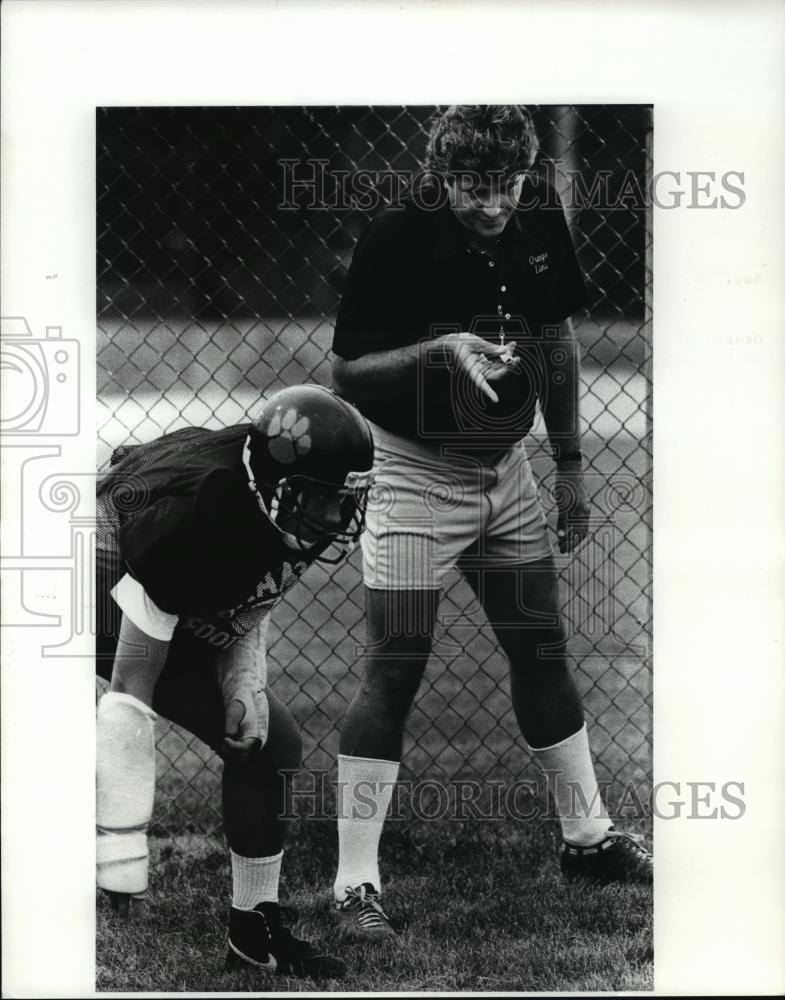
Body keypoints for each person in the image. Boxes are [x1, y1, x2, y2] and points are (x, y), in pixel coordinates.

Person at [329, 105, 652, 939]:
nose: (491, 203)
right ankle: (354, 883)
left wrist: (570, 467)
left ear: (524, 169)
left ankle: (586, 838)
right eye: (472, 187)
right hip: (413, 471)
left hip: (505, 471)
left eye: (504, 183)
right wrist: (437, 352)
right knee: (394, 668)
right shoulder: (397, 236)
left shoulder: (537, 208)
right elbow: (350, 374)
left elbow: (555, 341)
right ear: (439, 177)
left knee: (540, 646)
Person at [95, 384, 374, 978]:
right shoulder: (199, 514)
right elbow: (130, 689)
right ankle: (106, 869)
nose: (334, 517)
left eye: (342, 499)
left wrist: (244, 675)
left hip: (174, 563)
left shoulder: (280, 499)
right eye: (320, 498)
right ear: (276, 486)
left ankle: (252, 932)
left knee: (269, 743)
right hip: (93, 571)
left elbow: (251, 587)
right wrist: (123, 851)